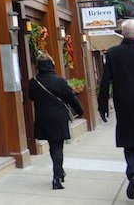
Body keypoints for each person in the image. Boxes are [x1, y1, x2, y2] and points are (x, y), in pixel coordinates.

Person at [98, 19, 134, 200]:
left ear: (123, 34)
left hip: (124, 104)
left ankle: (132, 173)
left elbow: (105, 81)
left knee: (129, 142)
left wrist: (102, 106)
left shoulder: (113, 53)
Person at [29, 52, 84, 190]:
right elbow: (71, 97)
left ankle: (59, 172)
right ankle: (57, 177)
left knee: (53, 146)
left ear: (38, 67)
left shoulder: (33, 82)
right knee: (58, 147)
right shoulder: (59, 81)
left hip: (43, 117)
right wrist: (80, 110)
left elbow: (31, 97)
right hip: (59, 118)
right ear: (52, 65)